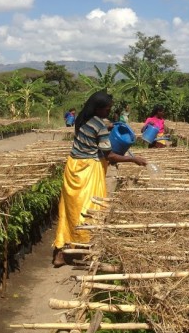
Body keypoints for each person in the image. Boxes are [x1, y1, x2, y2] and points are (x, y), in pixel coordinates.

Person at [53, 91, 147, 267]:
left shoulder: (81, 119)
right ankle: (86, 253)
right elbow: (110, 156)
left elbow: (94, 133)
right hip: (89, 170)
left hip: (73, 168)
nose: (108, 113)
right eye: (106, 109)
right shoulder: (100, 127)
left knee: (69, 210)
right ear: (97, 108)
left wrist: (107, 128)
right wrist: (134, 159)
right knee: (91, 210)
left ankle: (60, 253)